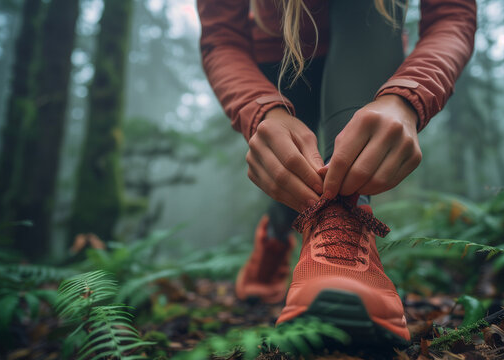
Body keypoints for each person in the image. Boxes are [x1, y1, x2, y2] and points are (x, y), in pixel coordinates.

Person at [196, 0, 476, 346]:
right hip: (276, 56)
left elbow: (453, 14)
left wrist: (406, 97)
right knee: (295, 177)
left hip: (368, 40)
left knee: (374, 7)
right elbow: (221, 37)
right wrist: (260, 111)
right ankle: (273, 239)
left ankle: (341, 234)